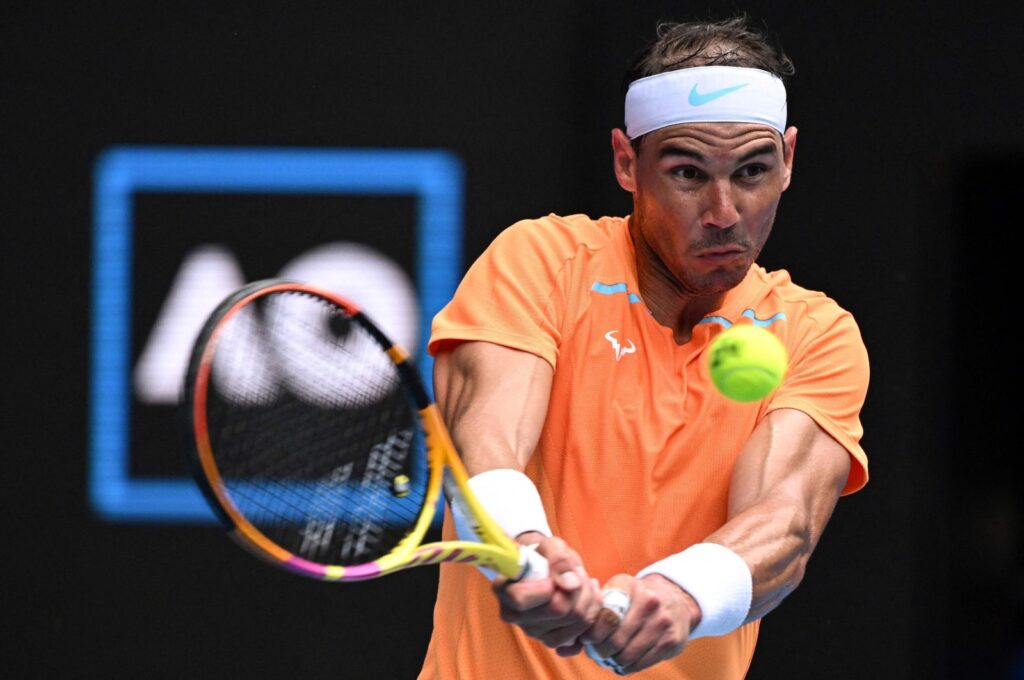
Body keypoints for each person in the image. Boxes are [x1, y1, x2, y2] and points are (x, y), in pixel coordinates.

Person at [418, 15, 869, 680]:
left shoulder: (816, 334)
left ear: (790, 159)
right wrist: (522, 548)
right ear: (628, 163)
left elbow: (785, 522)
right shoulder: (541, 262)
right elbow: (488, 434)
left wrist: (681, 596)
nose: (724, 211)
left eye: (752, 170)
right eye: (688, 173)